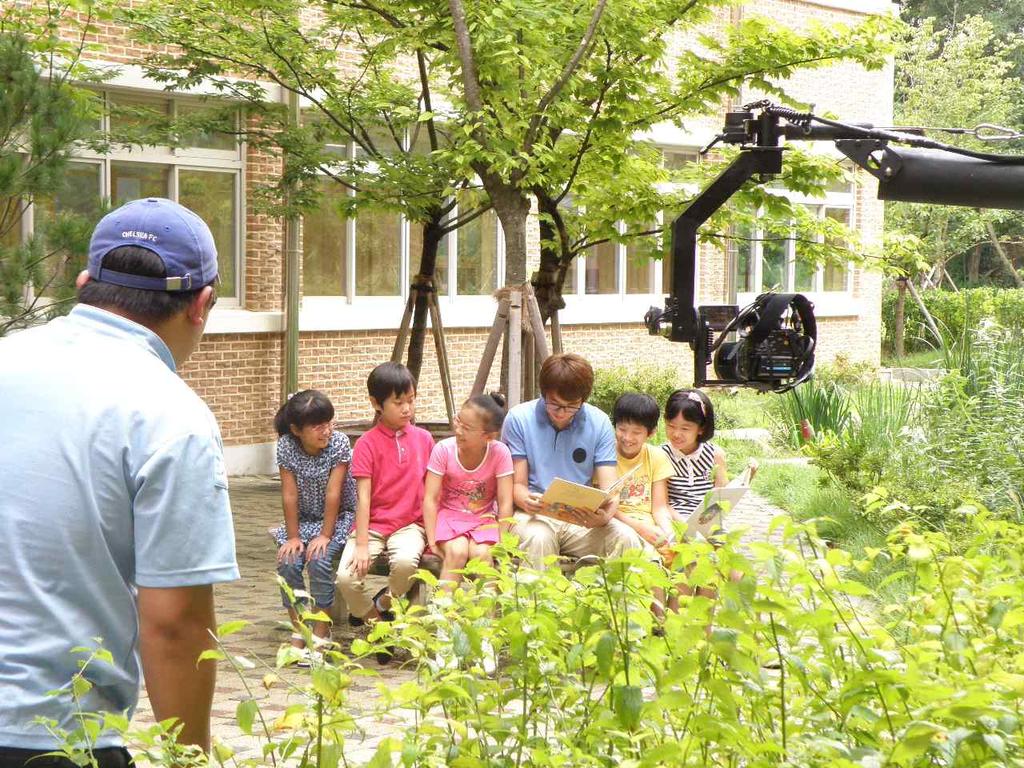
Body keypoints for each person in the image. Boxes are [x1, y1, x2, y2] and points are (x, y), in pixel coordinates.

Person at [0, 198, 239, 765]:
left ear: (84, 283)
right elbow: (175, 626)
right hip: (55, 738)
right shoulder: (172, 417)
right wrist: (190, 759)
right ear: (202, 304)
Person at [501, 353, 642, 569]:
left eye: (572, 406)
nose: (562, 412)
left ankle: (613, 603)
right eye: (555, 404)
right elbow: (517, 485)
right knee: (539, 538)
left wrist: (603, 517)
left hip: (580, 519)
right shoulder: (519, 418)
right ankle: (540, 603)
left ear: (583, 400)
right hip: (532, 515)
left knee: (625, 538)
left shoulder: (599, 422)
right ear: (543, 393)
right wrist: (526, 500)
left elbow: (610, 490)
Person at [336, 362, 433, 629]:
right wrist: (363, 544)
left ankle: (383, 604)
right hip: (373, 525)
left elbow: (432, 492)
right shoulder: (366, 444)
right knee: (346, 578)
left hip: (410, 525)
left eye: (411, 400)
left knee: (405, 564)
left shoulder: (424, 439)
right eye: (398, 402)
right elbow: (363, 498)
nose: (407, 408)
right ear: (376, 403)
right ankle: (378, 626)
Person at [271, 389, 356, 658]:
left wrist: (325, 535)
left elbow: (334, 493)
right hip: (303, 521)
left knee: (319, 560)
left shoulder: (340, 444)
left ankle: (321, 629)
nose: (326, 431)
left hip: (337, 519)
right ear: (297, 430)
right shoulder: (286, 446)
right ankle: (299, 628)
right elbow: (289, 493)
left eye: (329, 423)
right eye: (318, 426)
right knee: (288, 562)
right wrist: (293, 537)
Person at [422, 394, 514, 588]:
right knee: (457, 551)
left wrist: (502, 542)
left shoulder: (500, 453)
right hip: (449, 516)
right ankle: (442, 615)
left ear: (488, 436)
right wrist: (431, 540)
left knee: (482, 555)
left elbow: (505, 502)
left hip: (483, 518)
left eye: (467, 428)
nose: (458, 430)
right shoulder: (444, 450)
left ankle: (486, 616)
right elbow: (430, 498)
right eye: (458, 422)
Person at [611, 393, 676, 558]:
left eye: (636, 432)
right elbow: (604, 506)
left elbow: (660, 507)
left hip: (650, 526)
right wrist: (639, 527)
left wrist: (668, 533)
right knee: (648, 560)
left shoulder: (656, 457)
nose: (627, 438)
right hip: (617, 525)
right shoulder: (605, 455)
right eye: (622, 429)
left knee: (682, 557)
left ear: (651, 433)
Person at [661, 389, 728, 520]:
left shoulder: (715, 455)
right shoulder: (661, 455)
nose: (676, 434)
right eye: (671, 426)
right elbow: (661, 503)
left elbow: (722, 497)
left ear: (701, 428)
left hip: (708, 521)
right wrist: (684, 524)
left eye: (685, 428)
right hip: (673, 520)